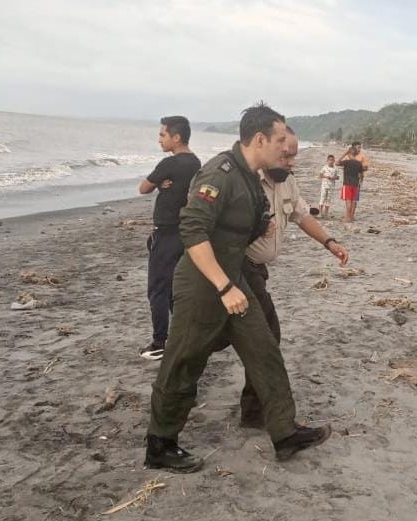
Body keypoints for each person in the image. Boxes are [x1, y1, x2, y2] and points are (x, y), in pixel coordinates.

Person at [145, 104, 331, 473]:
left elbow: (251, 220)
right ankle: (160, 444)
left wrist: (261, 232)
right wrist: (224, 286)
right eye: (280, 140)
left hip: (235, 277)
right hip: (204, 283)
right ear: (259, 139)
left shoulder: (251, 175)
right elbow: (193, 231)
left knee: (264, 348)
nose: (285, 148)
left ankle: (284, 432)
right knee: (184, 360)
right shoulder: (220, 172)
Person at [233, 127, 349, 428]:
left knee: (259, 339)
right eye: (286, 156)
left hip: (256, 272)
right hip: (236, 271)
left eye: (294, 156)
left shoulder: (287, 183)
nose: (291, 162)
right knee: (265, 338)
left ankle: (253, 411)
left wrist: (329, 242)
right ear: (266, 148)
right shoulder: (244, 183)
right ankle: (266, 418)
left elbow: (302, 215)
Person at [138, 116, 201, 360]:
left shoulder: (170, 164)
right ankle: (182, 336)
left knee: (158, 290)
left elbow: (143, 188)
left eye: (163, 135)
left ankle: (159, 342)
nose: (160, 139)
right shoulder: (196, 164)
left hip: (165, 234)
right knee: (177, 290)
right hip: (185, 233)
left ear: (176, 137)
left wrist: (159, 184)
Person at [336, 141, 368, 222]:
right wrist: (361, 180)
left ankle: (348, 217)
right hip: (356, 183)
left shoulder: (347, 161)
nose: (359, 149)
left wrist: (344, 154)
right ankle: (351, 217)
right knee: (353, 200)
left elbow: (337, 163)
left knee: (348, 201)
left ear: (349, 153)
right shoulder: (359, 163)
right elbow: (361, 172)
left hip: (347, 183)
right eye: (358, 147)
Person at [318, 153, 339, 218]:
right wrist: (326, 176)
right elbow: (320, 175)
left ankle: (326, 213)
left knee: (328, 199)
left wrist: (334, 178)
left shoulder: (335, 168)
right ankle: (320, 212)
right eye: (330, 160)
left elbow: (338, 177)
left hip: (331, 186)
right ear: (327, 160)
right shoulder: (324, 167)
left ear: (334, 161)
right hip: (324, 185)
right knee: (322, 198)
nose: (331, 161)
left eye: (332, 160)